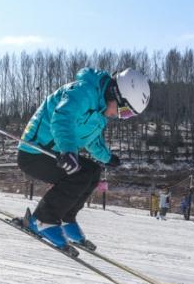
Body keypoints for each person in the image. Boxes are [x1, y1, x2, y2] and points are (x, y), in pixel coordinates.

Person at [17, 67, 150, 250]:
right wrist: (69, 150)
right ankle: (42, 220)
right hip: (35, 152)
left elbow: (93, 140)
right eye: (125, 111)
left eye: (127, 115)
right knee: (78, 176)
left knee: (93, 171)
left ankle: (65, 218)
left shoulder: (100, 111)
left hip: (59, 153)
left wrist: (107, 157)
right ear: (115, 93)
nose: (120, 117)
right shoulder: (82, 92)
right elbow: (63, 117)